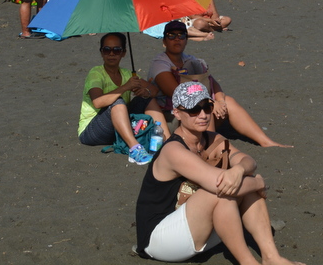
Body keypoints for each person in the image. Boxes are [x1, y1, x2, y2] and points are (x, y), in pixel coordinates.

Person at [134, 81, 306, 264]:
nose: (203, 115)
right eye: (193, 109)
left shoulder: (212, 139)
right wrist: (258, 182)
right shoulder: (173, 150)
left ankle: (272, 258)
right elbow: (219, 185)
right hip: (159, 239)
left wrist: (239, 170)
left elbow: (248, 161)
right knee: (221, 191)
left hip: (195, 229)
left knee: (236, 184)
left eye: (207, 107)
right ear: (176, 112)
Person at [147, 21, 291, 147]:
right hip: (174, 116)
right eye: (171, 35)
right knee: (205, 107)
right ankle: (208, 147)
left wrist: (220, 101)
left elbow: (212, 82)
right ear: (164, 41)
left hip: (195, 113)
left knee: (228, 101)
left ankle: (266, 142)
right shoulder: (160, 63)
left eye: (181, 35)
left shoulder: (190, 59)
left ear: (186, 39)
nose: (177, 39)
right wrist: (210, 102)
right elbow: (177, 93)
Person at [78, 33, 168, 166]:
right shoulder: (96, 73)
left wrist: (145, 91)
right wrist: (126, 87)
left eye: (117, 50)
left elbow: (154, 90)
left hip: (118, 127)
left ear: (124, 53)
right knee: (118, 102)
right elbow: (97, 102)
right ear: (102, 53)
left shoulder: (126, 73)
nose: (111, 54)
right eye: (107, 50)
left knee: (146, 99)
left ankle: (167, 141)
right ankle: (135, 149)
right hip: (91, 132)